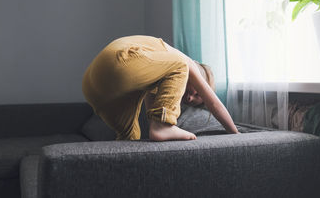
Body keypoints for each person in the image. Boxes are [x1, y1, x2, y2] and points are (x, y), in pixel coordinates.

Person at [82, 35, 239, 141]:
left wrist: (155, 127)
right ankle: (164, 125)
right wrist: (236, 134)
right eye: (197, 93)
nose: (189, 98)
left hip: (93, 87)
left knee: (129, 137)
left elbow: (153, 112)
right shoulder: (186, 63)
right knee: (181, 64)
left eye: (191, 101)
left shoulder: (155, 75)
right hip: (117, 61)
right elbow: (214, 104)